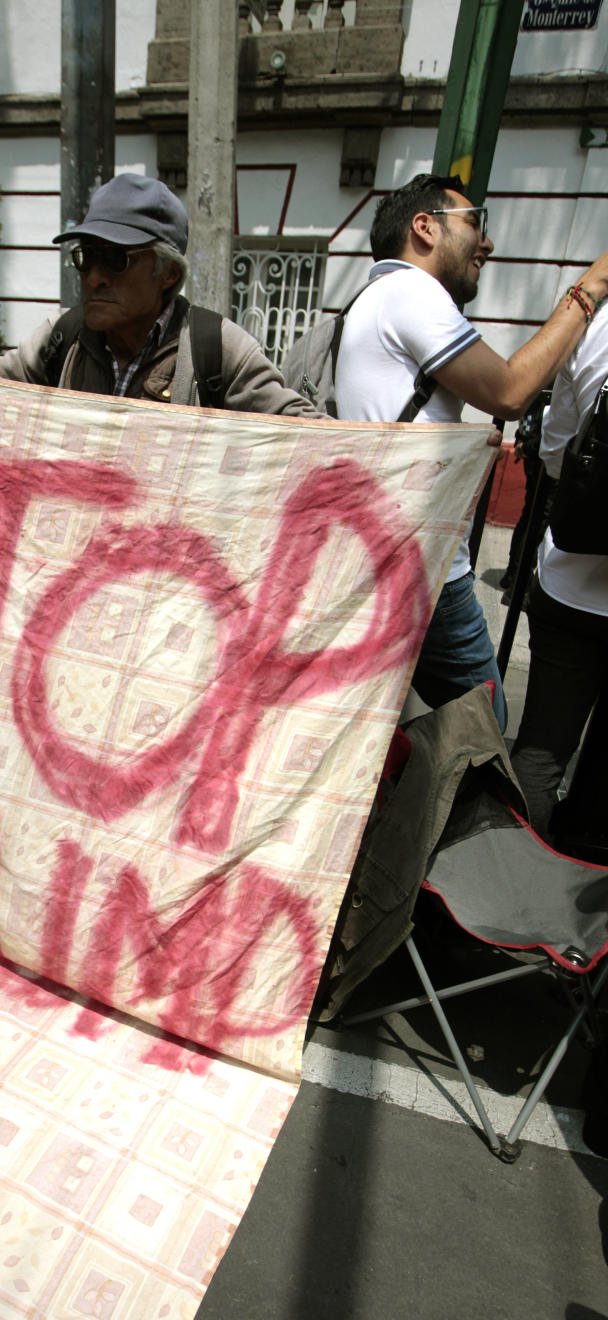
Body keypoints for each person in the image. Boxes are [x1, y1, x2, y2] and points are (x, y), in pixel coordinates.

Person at [334, 171, 608, 734]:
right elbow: (508, 391)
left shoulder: (375, 297)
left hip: (380, 551)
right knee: (480, 729)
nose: (486, 242)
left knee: (380, 725)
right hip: (423, 564)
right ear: (425, 228)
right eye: (475, 222)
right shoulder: (413, 292)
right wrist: (590, 289)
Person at [0, 172, 315, 415]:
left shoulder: (218, 351)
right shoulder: (61, 338)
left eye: (114, 259)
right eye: (86, 257)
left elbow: (307, 438)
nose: (93, 278)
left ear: (168, 273)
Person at [510, 299, 608, 840]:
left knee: (542, 749)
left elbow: (554, 454)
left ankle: (515, 889)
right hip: (570, 590)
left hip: (571, 583)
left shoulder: (597, 323)